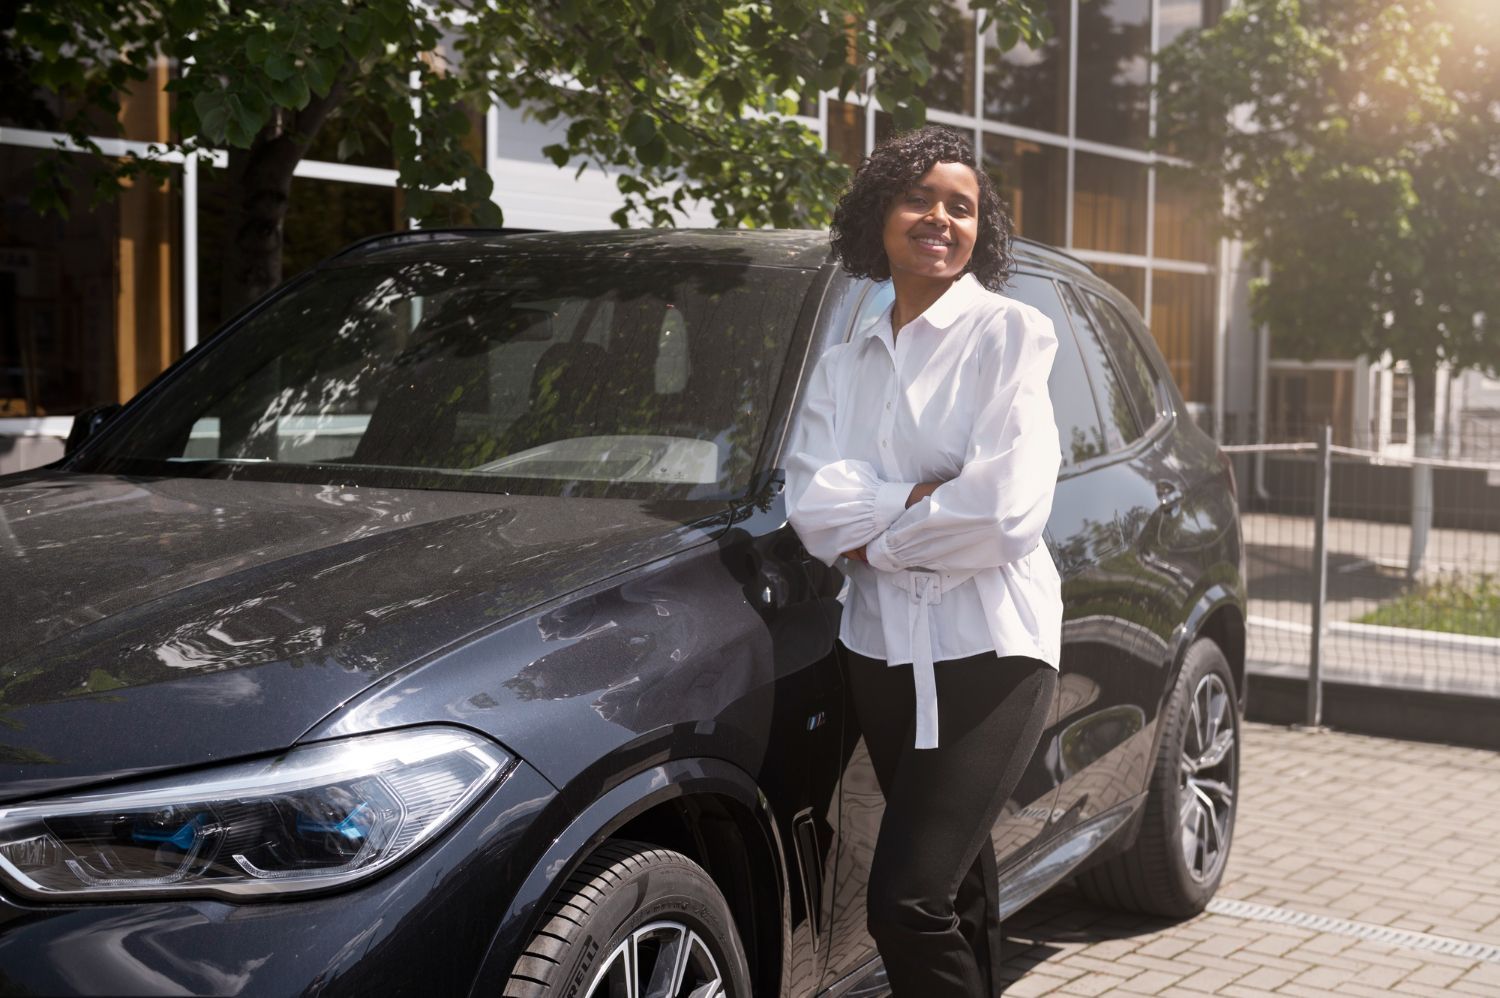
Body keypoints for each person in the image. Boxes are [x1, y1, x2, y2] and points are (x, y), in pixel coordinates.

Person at [786, 125, 1063, 996]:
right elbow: (811, 507)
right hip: (880, 652)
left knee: (905, 901)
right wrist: (925, 499)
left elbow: (1008, 508)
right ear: (880, 215)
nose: (941, 218)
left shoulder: (1010, 334)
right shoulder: (842, 363)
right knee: (958, 893)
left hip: (991, 650)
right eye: (920, 198)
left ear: (982, 227)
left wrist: (875, 517)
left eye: (963, 205)